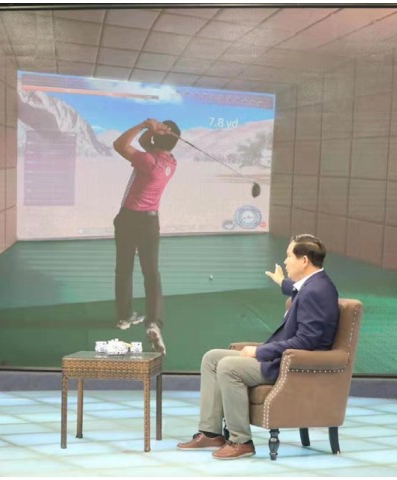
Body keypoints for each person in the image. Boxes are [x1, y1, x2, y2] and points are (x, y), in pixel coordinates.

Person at [177, 234, 339, 460]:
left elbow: (306, 341)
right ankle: (211, 433)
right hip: (282, 358)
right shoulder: (313, 285)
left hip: (293, 366)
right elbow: (297, 290)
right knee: (212, 358)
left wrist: (259, 351)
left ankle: (241, 441)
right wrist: (281, 282)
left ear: (304, 260)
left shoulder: (317, 291)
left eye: (288, 256)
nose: (285, 261)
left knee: (228, 366)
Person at [112, 119, 181, 355]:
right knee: (151, 273)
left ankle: (124, 317)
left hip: (128, 219)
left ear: (156, 138)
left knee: (124, 269)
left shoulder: (148, 161)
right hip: (150, 223)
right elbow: (146, 144)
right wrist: (155, 132)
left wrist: (144, 124)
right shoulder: (170, 162)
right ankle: (154, 323)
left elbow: (119, 144)